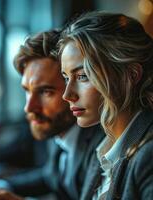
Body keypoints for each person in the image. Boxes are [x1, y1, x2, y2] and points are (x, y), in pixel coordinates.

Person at [0, 29, 104, 200]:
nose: (29, 107)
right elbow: (49, 176)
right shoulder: (59, 132)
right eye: (27, 91)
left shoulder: (102, 145)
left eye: (45, 92)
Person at [59, 11, 153, 200]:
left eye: (83, 76)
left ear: (131, 75)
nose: (67, 95)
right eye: (66, 78)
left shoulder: (149, 157)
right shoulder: (101, 147)